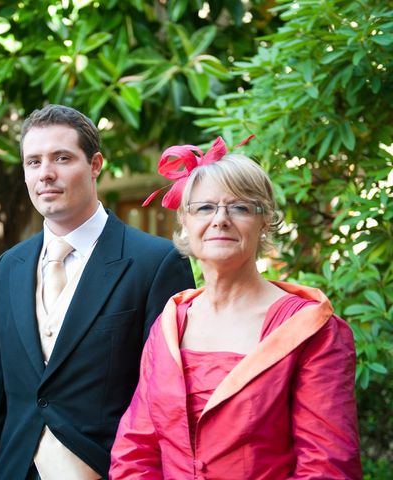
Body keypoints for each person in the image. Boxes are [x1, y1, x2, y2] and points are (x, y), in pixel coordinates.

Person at [0, 104, 195, 480]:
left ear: (95, 164)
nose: (45, 174)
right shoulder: (8, 267)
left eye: (62, 158)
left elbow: (167, 399)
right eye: (33, 162)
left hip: (109, 469)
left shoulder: (156, 262)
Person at [110, 137, 362, 479]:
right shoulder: (170, 325)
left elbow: (326, 467)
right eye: (204, 208)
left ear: (265, 222)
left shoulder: (310, 330)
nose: (220, 220)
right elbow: (136, 451)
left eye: (240, 207)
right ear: (185, 220)